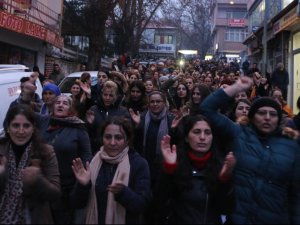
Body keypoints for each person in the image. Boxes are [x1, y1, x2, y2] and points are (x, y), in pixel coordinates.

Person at [200, 76, 300, 224]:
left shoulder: (290, 145)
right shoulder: (239, 133)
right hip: (240, 218)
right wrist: (235, 87)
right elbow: (207, 109)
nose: (267, 118)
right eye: (261, 113)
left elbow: (296, 194)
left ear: (279, 119)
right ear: (252, 117)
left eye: (273, 114)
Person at [153, 115, 236, 224]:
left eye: (207, 132)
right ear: (187, 137)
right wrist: (169, 170)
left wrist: (224, 181)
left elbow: (226, 209)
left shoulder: (221, 166)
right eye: (197, 132)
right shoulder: (175, 162)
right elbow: (159, 202)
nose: (202, 137)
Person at [71, 117, 152, 224]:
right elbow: (76, 203)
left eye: (118, 138)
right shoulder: (92, 162)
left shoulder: (139, 164)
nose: (112, 142)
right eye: (108, 137)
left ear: (127, 140)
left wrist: (122, 193)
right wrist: (83, 186)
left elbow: (142, 205)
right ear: (102, 138)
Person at [36, 95, 93, 224]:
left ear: (70, 108)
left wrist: (83, 178)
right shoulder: (45, 121)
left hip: (68, 187)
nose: (60, 105)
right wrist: (27, 93)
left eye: (65, 103)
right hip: (45, 184)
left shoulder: (78, 127)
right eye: (58, 102)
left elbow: (86, 155)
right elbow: (21, 112)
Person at [0, 105, 61, 224]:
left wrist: (38, 181)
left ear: (33, 128)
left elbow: (55, 194)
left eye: (26, 126)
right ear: (8, 128)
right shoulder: (1, 150)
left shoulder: (46, 152)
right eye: (16, 125)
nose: (21, 131)